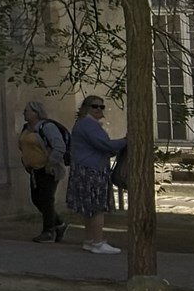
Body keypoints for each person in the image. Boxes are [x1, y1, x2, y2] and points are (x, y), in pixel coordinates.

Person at [68, 94, 128, 255]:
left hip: (85, 169)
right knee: (97, 208)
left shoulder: (84, 124)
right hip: (92, 170)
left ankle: (90, 240)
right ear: (86, 108)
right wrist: (126, 140)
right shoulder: (88, 124)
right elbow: (104, 145)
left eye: (101, 106)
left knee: (90, 208)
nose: (99, 109)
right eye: (95, 106)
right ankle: (97, 241)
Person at [17, 99, 68, 243]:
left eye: (27, 110)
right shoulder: (26, 128)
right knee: (37, 199)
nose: (24, 113)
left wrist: (50, 163)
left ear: (36, 113)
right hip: (34, 169)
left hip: (48, 169)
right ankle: (58, 224)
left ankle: (48, 231)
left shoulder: (47, 127)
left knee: (46, 199)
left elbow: (59, 146)